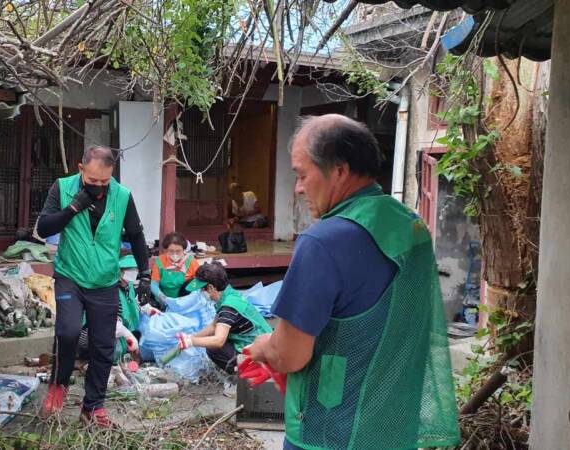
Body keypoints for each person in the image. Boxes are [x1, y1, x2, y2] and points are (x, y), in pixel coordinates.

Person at [241, 114, 460, 450]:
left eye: (302, 175)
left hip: (332, 435)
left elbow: (289, 355)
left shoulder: (323, 242)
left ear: (339, 171)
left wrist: (264, 347)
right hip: (392, 428)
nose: (298, 188)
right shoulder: (411, 227)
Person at [35, 146, 151, 428]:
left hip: (105, 281)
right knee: (69, 330)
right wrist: (74, 206)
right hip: (70, 275)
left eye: (104, 182)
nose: (98, 187)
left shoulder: (122, 196)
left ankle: (93, 406)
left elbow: (136, 236)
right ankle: (59, 383)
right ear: (81, 169)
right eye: (93, 181)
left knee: (103, 346)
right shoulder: (62, 188)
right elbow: (44, 228)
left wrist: (145, 275)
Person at [175, 262, 271, 375]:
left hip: (261, 352)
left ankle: (243, 378)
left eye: (202, 289)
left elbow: (219, 341)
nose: (201, 293)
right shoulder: (228, 294)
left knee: (214, 348)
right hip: (259, 344)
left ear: (210, 288)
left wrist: (192, 342)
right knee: (212, 339)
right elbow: (213, 326)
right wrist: (191, 337)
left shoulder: (228, 307)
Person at [151, 232, 200, 305]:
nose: (175, 254)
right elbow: (154, 284)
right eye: (171, 251)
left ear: (184, 250)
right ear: (165, 250)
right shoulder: (160, 261)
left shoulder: (191, 261)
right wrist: (161, 296)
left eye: (178, 251)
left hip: (185, 301)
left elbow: (198, 283)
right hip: (164, 300)